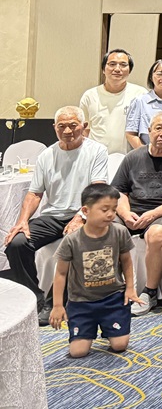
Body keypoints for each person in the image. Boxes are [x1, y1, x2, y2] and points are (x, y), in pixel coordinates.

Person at [2, 106, 109, 324]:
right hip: (53, 216)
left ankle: (55, 302)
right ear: (54, 128)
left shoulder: (97, 151)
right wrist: (22, 221)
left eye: (73, 125)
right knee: (16, 243)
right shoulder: (46, 155)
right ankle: (36, 299)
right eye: (62, 126)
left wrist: (80, 217)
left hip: (85, 214)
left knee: (74, 241)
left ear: (84, 127)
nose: (67, 131)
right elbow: (34, 193)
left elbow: (98, 189)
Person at [113, 112, 162, 315]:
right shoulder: (133, 157)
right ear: (149, 131)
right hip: (132, 212)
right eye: (158, 128)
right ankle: (110, 290)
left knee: (157, 234)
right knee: (104, 228)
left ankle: (150, 291)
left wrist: (153, 214)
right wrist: (126, 214)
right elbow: (118, 191)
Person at [49, 183, 138, 358]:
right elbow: (60, 273)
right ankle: (88, 329)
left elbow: (127, 261)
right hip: (81, 302)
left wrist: (130, 288)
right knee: (78, 352)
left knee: (120, 345)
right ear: (85, 210)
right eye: (104, 209)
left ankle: (109, 326)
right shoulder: (71, 240)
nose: (111, 214)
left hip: (113, 299)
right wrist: (57, 305)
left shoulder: (119, 232)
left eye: (114, 209)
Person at [80, 48, 148, 154]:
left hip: (129, 157)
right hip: (96, 157)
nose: (117, 69)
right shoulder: (89, 96)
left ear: (129, 70)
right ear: (103, 69)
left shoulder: (140, 94)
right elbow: (85, 131)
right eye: (112, 64)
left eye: (123, 65)